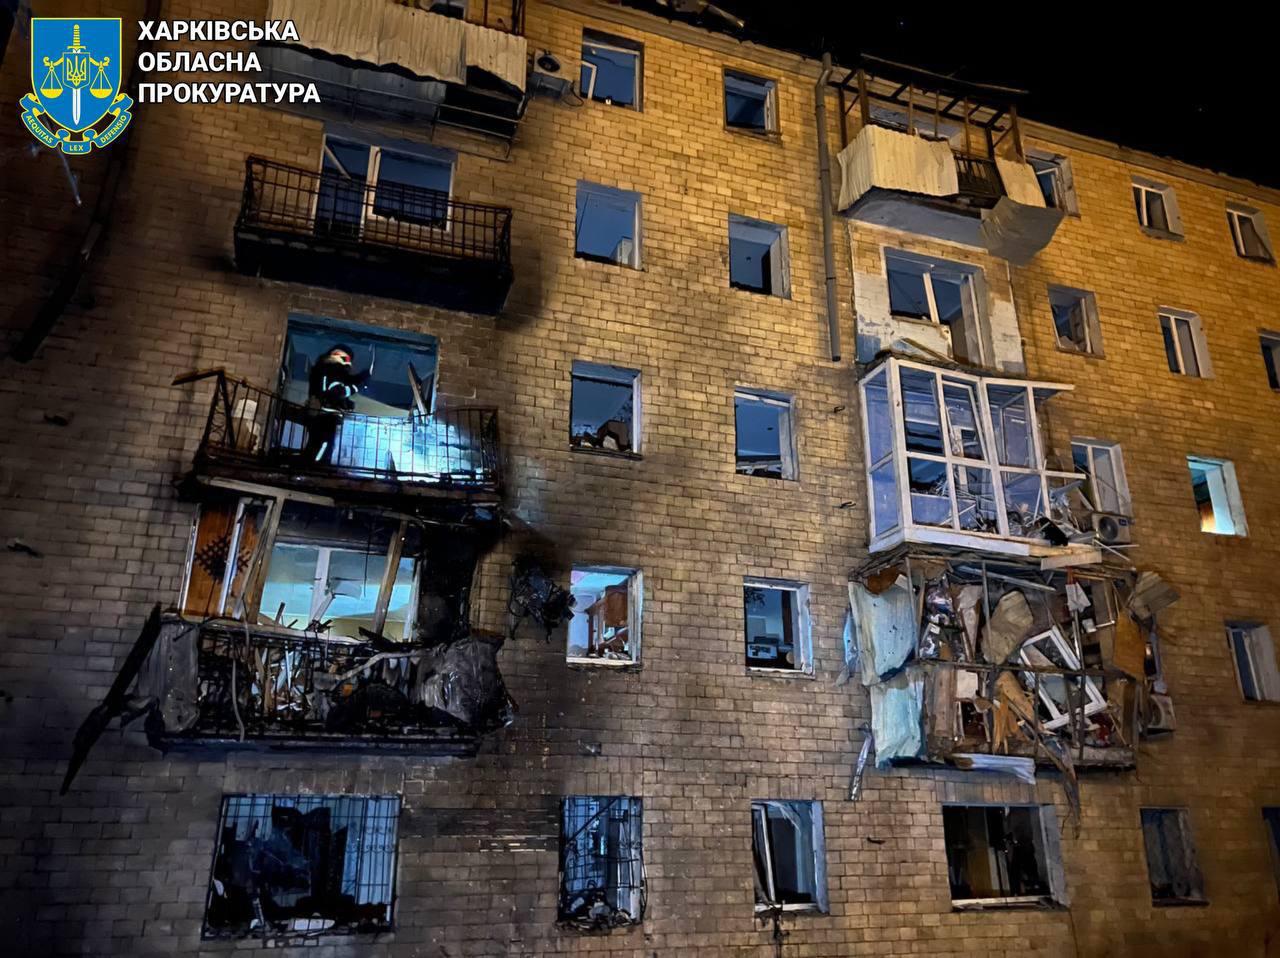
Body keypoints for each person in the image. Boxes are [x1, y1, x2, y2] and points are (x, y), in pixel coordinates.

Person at [302, 344, 372, 464]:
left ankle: (315, 465)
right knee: (323, 445)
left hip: (321, 414)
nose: (349, 363)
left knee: (320, 443)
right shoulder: (332, 369)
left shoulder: (324, 369)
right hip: (325, 414)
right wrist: (357, 386)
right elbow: (337, 391)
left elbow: (345, 382)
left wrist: (361, 378)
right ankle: (315, 467)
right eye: (347, 359)